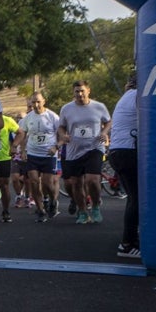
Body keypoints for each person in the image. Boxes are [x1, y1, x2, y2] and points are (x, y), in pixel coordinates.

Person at [57, 81, 112, 225]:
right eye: (76, 92)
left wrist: (104, 132)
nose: (79, 94)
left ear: (88, 91)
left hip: (94, 147)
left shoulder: (99, 107)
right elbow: (61, 127)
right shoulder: (67, 109)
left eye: (82, 91)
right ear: (73, 93)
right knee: (76, 183)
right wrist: (63, 136)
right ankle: (82, 211)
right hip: (74, 150)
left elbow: (108, 122)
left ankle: (95, 206)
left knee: (92, 180)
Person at [16, 91, 62, 222]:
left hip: (48, 154)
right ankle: (41, 210)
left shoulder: (53, 116)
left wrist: (56, 147)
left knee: (48, 183)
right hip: (33, 153)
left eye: (38, 102)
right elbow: (22, 135)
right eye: (33, 102)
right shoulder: (27, 118)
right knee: (34, 182)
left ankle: (53, 200)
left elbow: (62, 134)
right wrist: (23, 151)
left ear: (44, 101)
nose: (36, 105)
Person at [109, 72, 140, 258]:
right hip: (127, 151)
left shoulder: (127, 96)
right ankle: (127, 244)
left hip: (120, 151)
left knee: (134, 197)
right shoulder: (137, 96)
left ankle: (131, 240)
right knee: (135, 198)